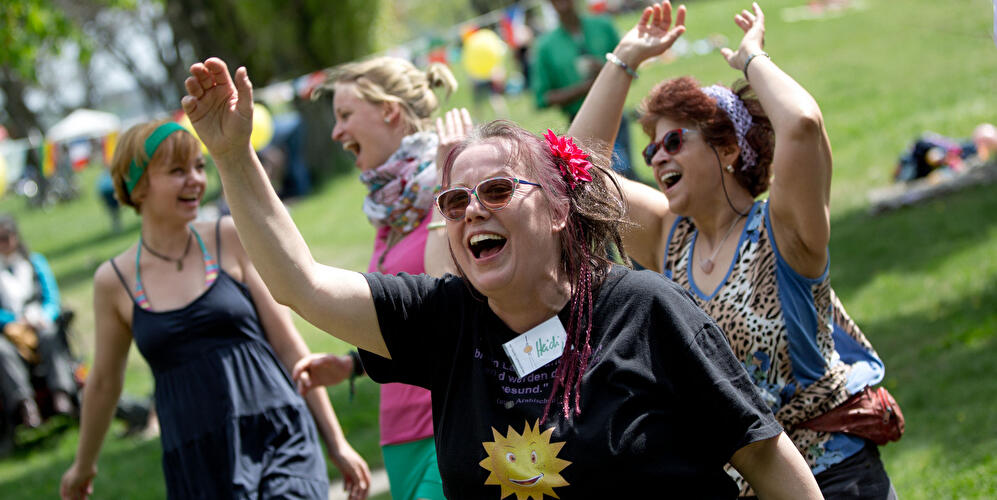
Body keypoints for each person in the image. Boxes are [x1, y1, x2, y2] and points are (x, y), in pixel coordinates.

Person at [181, 55, 824, 499]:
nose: (470, 211)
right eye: (454, 202)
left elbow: (763, 456)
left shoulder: (646, 310)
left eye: (494, 189)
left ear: (555, 209)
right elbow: (301, 284)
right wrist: (234, 157)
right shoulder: (444, 320)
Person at [568, 2, 895, 498]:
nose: (658, 158)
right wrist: (625, 59)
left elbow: (803, 123)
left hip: (836, 477)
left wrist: (750, 60)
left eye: (674, 140)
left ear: (728, 149)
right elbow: (576, 177)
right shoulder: (668, 239)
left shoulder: (782, 229)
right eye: (652, 149)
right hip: (744, 487)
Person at [59, 120, 370, 500]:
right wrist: (83, 465)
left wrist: (336, 442)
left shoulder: (230, 237)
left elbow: (288, 345)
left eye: (198, 167)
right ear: (138, 185)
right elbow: (105, 383)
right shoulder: (114, 282)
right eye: (177, 171)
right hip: (197, 460)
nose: (195, 180)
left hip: (278, 434)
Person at [291, 56, 460, 500]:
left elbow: (463, 308)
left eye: (345, 115)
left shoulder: (456, 188)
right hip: (398, 435)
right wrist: (353, 364)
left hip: (448, 420)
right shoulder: (389, 211)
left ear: (389, 111)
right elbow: (412, 318)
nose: (335, 132)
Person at [531, 0, 637, 180]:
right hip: (581, 122)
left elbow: (631, 69)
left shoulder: (603, 25)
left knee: (624, 173)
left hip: (615, 113)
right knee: (609, 178)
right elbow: (542, 98)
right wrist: (584, 89)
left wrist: (607, 70)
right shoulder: (545, 46)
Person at [0, 215, 77, 428]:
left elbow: (52, 298)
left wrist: (43, 316)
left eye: (7, 237)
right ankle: (25, 403)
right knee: (2, 351)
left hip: (40, 323)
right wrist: (13, 321)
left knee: (50, 334)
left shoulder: (35, 263)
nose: (4, 243)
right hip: (10, 333)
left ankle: (61, 392)